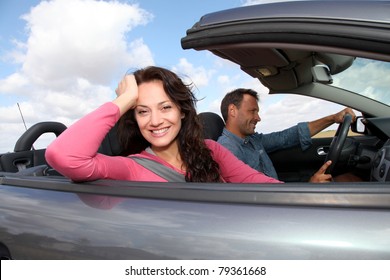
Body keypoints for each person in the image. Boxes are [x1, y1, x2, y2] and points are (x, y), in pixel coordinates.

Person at [45, 66, 331, 185]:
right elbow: (63, 156)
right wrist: (124, 100)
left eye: (166, 107)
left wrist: (305, 193)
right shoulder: (132, 167)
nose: (155, 121)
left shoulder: (210, 150)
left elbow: (258, 184)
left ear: (183, 112)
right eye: (142, 111)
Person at [218, 88, 356, 181]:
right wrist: (309, 189)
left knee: (348, 178)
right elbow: (252, 196)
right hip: (272, 208)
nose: (258, 118)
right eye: (252, 111)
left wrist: (332, 118)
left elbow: (287, 137)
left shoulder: (252, 140)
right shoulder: (227, 150)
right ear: (232, 111)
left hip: (278, 195)